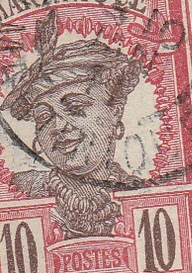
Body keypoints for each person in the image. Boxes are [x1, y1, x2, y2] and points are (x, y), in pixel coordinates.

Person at [1, 13, 145, 238]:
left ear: (115, 111)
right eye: (44, 117)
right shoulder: (19, 190)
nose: (58, 125)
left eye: (75, 106)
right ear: (37, 141)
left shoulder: (143, 194)